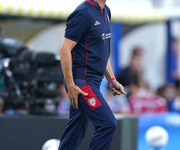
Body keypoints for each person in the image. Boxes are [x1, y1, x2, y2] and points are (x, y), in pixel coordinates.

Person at [58, 0, 126, 149]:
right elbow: (64, 50)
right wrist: (71, 85)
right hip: (81, 82)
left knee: (75, 131)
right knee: (108, 124)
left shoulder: (105, 10)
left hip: (93, 81)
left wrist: (111, 79)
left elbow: (101, 50)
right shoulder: (83, 12)